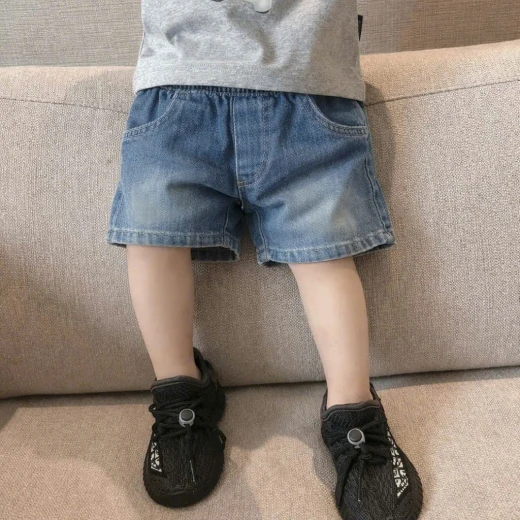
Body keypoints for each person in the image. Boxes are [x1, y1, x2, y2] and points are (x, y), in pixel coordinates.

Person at [106, 1, 423, 518]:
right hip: (178, 83)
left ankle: (353, 408)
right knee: (153, 237)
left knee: (325, 254)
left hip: (309, 84)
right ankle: (180, 390)